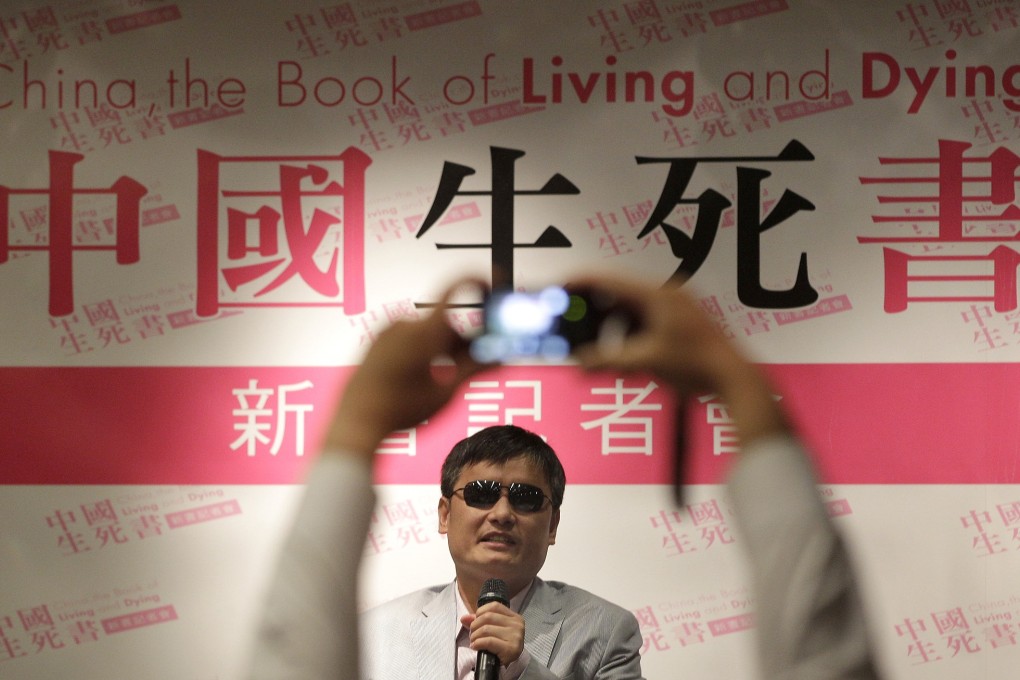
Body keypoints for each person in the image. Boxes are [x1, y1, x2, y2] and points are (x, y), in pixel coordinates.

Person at [245, 273, 882, 680]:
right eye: (480, 493)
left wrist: (525, 667)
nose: (501, 512)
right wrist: (731, 378)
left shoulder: (607, 630)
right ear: (443, 514)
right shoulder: (378, 630)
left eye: (525, 498)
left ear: (551, 526)